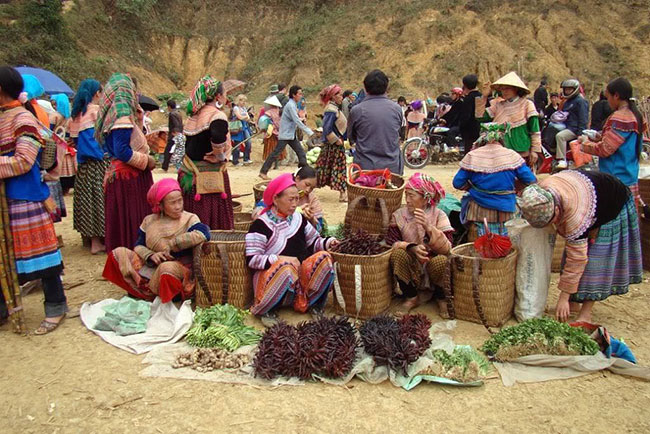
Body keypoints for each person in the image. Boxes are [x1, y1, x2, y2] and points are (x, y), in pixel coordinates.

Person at [518, 170, 642, 323]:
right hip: (589, 193)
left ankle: (586, 313)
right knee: (570, 254)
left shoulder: (575, 215)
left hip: (612, 203)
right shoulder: (541, 193)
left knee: (595, 261)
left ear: (557, 210)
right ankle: (573, 302)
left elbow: (578, 259)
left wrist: (562, 297)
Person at [0, 66, 66, 334]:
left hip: (25, 198)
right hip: (6, 201)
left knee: (42, 258)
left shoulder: (22, 120)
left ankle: (56, 305)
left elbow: (24, 161)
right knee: (4, 258)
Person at [245, 173, 338, 326]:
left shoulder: (298, 218)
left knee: (325, 258)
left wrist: (330, 243)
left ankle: (312, 304)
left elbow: (314, 242)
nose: (295, 204)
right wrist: (281, 259)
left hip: (299, 280)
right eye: (290, 199)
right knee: (286, 268)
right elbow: (253, 259)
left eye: (297, 198)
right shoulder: (261, 225)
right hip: (273, 280)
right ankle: (267, 310)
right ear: (275, 199)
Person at [103, 178, 210, 302]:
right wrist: (151, 255)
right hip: (152, 266)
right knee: (119, 253)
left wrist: (173, 244)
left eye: (180, 201)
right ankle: (142, 290)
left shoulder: (190, 218)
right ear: (160, 205)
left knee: (167, 268)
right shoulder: (149, 221)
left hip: (179, 268)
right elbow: (138, 245)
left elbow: (203, 234)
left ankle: (171, 296)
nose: (177, 207)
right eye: (172, 203)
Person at [96, 73, 156, 251]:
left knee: (125, 221)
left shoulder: (114, 116)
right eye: (135, 92)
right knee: (132, 221)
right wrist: (147, 161)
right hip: (128, 179)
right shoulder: (121, 117)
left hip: (122, 177)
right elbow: (122, 151)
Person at [453, 123, 536, 238]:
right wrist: (515, 187)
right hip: (508, 209)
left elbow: (457, 183)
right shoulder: (511, 155)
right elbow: (530, 180)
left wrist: (471, 187)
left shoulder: (473, 155)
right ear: (502, 137)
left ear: (482, 137)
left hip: (479, 212)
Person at [386, 173, 452, 312]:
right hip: (412, 265)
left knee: (442, 261)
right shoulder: (399, 215)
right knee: (397, 254)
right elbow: (391, 242)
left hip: (432, 264)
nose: (407, 200)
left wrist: (429, 228)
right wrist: (410, 248)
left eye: (412, 195)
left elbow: (448, 248)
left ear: (425, 198)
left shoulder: (439, 215)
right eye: (406, 195)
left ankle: (441, 297)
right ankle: (411, 297)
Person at [180, 75, 234, 230]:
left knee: (192, 214)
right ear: (218, 96)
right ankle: (211, 247)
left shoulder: (195, 115)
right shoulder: (216, 115)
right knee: (210, 219)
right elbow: (218, 139)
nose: (225, 97)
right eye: (224, 94)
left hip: (189, 172)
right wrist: (220, 156)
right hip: (208, 176)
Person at [580, 77, 645, 203]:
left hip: (616, 178)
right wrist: (600, 137)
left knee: (614, 219)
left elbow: (605, 149)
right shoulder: (635, 115)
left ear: (616, 96)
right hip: (629, 175)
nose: (607, 101)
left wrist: (584, 144)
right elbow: (621, 143)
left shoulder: (620, 118)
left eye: (608, 97)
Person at [69, 78, 109, 254]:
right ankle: (98, 241)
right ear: (97, 94)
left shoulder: (77, 114)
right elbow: (103, 139)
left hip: (84, 166)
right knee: (100, 200)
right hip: (99, 163)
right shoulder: (97, 111)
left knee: (87, 201)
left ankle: (90, 239)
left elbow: (75, 141)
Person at [475, 71, 541, 168]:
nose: (504, 91)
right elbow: (480, 117)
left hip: (521, 148)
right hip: (501, 150)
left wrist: (535, 150)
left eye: (507, 89)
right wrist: (484, 96)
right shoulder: (498, 105)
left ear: (516, 89)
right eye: (502, 89)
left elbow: (534, 129)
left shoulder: (527, 105)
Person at [347, 69, 403, 174]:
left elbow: (351, 137)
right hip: (391, 169)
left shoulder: (357, 110)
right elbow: (397, 132)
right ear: (387, 87)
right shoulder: (397, 109)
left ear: (365, 88)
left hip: (364, 170)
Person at [259, 85, 313, 180]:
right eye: (299, 94)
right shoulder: (290, 105)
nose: (301, 95)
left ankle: (303, 172)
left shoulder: (292, 105)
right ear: (294, 95)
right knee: (276, 153)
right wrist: (309, 132)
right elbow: (296, 120)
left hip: (290, 134)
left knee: (301, 153)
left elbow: (294, 119)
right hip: (285, 134)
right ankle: (263, 171)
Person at [253, 166, 325, 233]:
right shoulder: (282, 191)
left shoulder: (311, 199)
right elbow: (258, 214)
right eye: (307, 184)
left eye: (312, 188)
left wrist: (312, 219)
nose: (308, 190)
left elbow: (319, 229)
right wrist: (296, 212)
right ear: (297, 178)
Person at [315, 84, 348, 202]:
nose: (341, 96)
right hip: (334, 145)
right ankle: (343, 194)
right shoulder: (331, 110)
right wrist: (336, 140)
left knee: (324, 168)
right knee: (339, 169)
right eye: (338, 94)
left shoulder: (333, 108)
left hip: (333, 145)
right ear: (333, 97)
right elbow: (327, 128)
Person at [555, 78, 589, 168]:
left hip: (574, 129)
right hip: (567, 126)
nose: (567, 91)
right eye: (566, 89)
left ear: (575, 89)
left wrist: (581, 133)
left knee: (560, 136)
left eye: (569, 89)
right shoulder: (567, 102)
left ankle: (562, 160)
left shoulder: (580, 101)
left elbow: (583, 118)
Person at [51, 93, 77, 194]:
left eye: (55, 104)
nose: (54, 106)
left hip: (58, 146)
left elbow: (49, 131)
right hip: (69, 147)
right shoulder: (70, 118)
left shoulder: (54, 116)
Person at [458, 74, 482, 154]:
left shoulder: (468, 99)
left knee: (470, 153)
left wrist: (461, 127)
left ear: (464, 85)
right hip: (482, 130)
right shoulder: (482, 97)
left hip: (470, 132)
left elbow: (465, 116)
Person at [230, 94, 253, 166]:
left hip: (245, 126)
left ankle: (246, 158)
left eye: (245, 101)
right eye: (243, 101)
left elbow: (248, 118)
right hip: (238, 127)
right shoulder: (236, 108)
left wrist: (246, 117)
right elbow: (239, 117)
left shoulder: (244, 108)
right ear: (239, 101)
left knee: (248, 142)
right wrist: (245, 117)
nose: (244, 103)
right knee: (237, 144)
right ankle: (235, 161)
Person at [161, 99, 183, 171]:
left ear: (169, 106)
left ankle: (165, 166)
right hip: (180, 133)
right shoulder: (178, 113)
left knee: (168, 150)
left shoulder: (172, 114)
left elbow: (175, 124)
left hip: (173, 134)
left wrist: (174, 133)